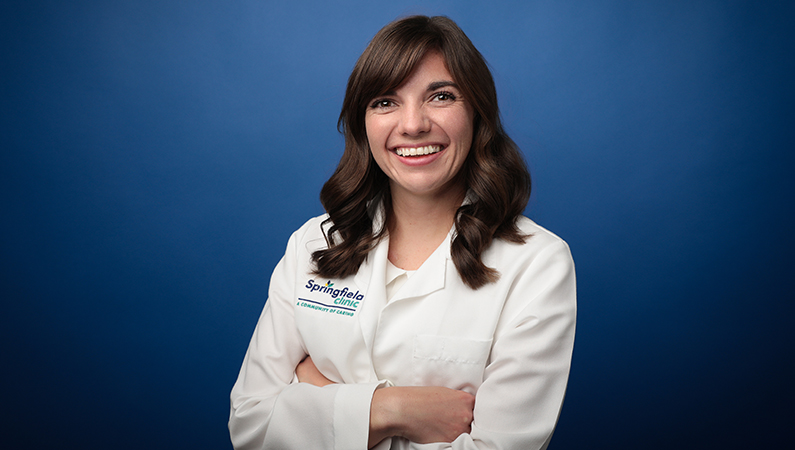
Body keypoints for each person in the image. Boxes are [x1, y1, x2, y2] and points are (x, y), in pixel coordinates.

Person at [229, 15, 576, 450]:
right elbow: (250, 424)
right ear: (363, 123)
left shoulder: (538, 263)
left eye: (441, 96)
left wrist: (318, 398)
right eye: (385, 102)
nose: (412, 125)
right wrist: (397, 411)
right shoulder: (314, 243)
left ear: (477, 113)